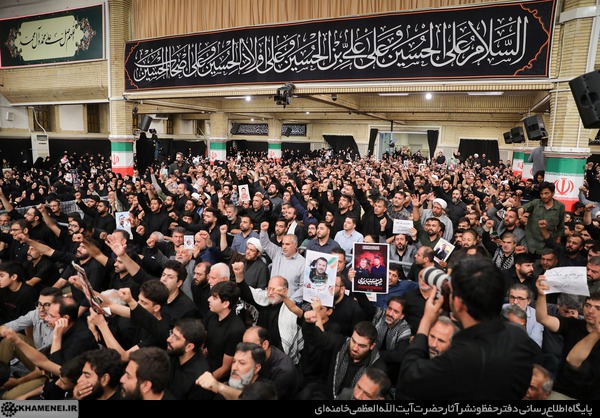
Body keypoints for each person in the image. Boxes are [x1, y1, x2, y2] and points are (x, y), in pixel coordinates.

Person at [399, 257, 537, 399]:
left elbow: (409, 378)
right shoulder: (518, 336)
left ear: (458, 303)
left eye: (452, 292)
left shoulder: (460, 357)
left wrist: (426, 321)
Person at [195, 342, 267, 400]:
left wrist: (219, 387)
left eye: (242, 363)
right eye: (234, 361)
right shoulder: (228, 385)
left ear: (256, 368)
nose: (234, 367)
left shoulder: (265, 390)